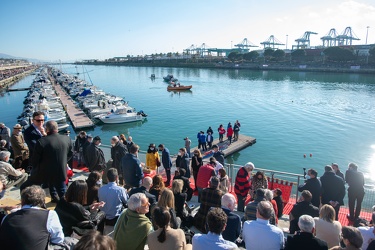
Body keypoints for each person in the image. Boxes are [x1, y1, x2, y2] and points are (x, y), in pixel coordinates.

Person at [0, 185, 65, 249]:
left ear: (22, 201)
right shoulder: (50, 215)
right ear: (42, 202)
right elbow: (58, 240)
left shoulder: (6, 218)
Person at [27, 120, 72, 201]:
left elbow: (35, 160)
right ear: (57, 128)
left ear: (46, 129)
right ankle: (64, 206)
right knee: (62, 190)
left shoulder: (41, 141)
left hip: (47, 170)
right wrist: (64, 161)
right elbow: (70, 154)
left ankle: (55, 198)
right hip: (61, 169)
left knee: (52, 186)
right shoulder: (67, 139)